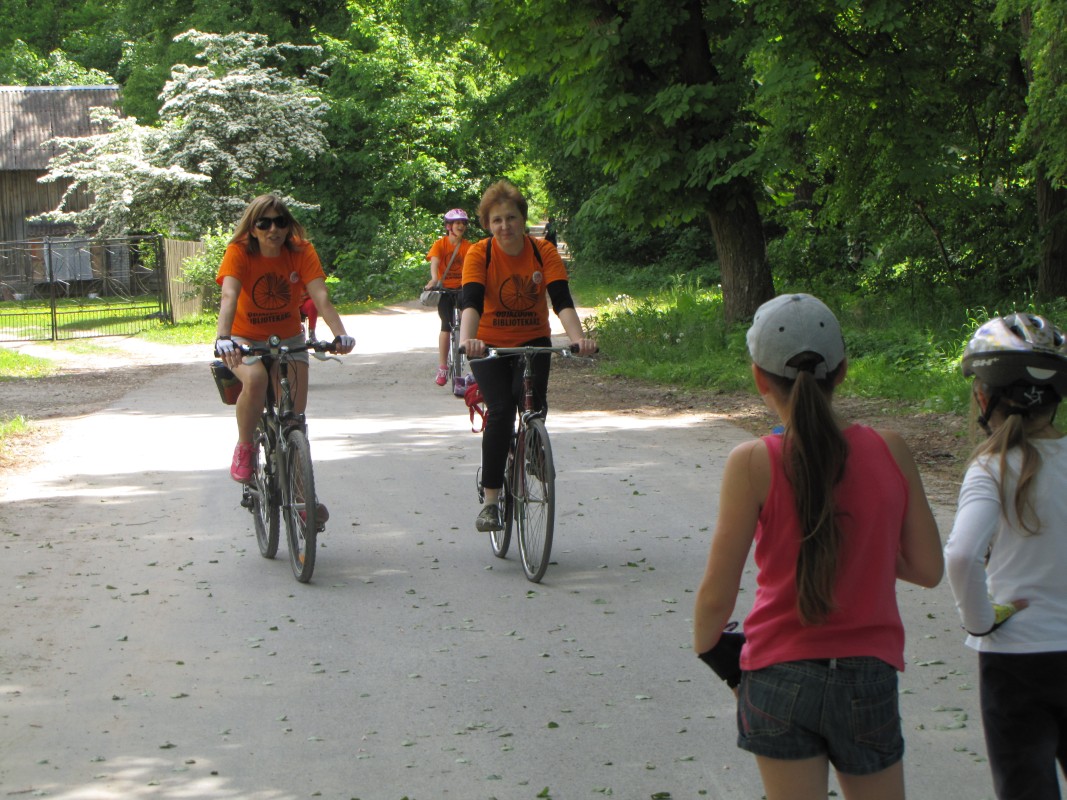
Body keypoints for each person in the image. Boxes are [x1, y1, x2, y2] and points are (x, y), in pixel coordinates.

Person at [692, 293, 943, 800]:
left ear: (760, 378)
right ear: (842, 370)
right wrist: (865, 546)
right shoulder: (891, 449)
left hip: (777, 675)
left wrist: (715, 653)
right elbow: (927, 568)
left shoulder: (751, 462)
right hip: (867, 677)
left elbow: (717, 593)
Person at [945, 313, 1067, 800]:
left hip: (1017, 661)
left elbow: (961, 556)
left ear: (984, 396)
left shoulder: (992, 467)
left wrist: (979, 622)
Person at [459, 181, 596, 533]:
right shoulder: (480, 253)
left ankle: (533, 444)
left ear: (523, 219)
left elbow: (561, 300)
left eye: (511, 218)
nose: (505, 226)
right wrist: (467, 340)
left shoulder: (542, 251)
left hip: (533, 340)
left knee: (533, 401)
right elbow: (471, 301)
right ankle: (492, 502)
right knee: (502, 411)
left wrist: (578, 340)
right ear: (487, 224)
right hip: (488, 344)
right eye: (497, 220)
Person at [214, 194, 354, 487]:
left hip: (288, 338)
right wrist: (223, 338)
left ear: (288, 226)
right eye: (264, 223)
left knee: (294, 421)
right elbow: (229, 295)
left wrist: (339, 334)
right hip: (243, 337)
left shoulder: (301, 250)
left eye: (280, 222)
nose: (273, 229)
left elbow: (320, 296)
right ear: (252, 228)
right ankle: (245, 447)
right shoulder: (238, 251)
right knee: (255, 379)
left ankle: (303, 499)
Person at [425, 208, 472, 393]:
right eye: (457, 223)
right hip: (444, 289)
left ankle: (472, 361)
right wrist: (434, 280)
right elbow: (435, 262)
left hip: (462, 287)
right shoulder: (440, 245)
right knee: (446, 326)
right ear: (448, 226)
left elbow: (473, 265)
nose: (461, 226)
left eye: (463, 223)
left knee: (468, 319)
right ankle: (443, 367)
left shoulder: (468, 246)